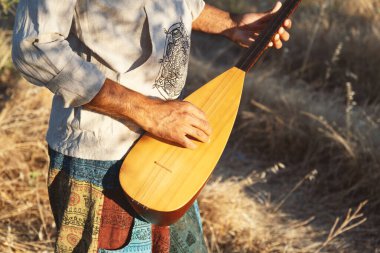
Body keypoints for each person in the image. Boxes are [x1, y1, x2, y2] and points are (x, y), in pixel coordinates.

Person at [12, 0, 291, 252]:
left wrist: (231, 24)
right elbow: (35, 48)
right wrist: (148, 112)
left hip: (166, 149)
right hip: (102, 160)